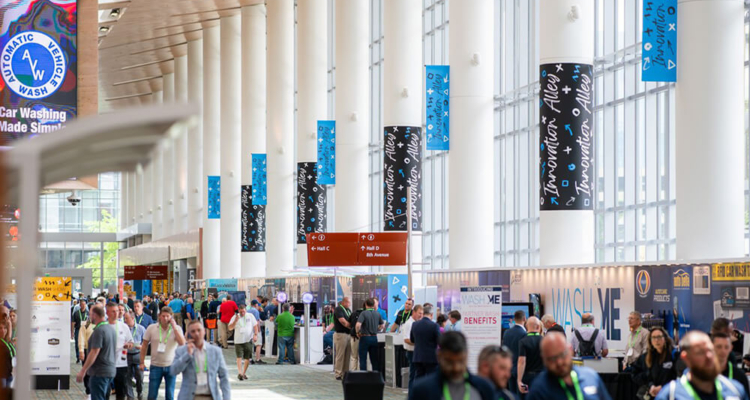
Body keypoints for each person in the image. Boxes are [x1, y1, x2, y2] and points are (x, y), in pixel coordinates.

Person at [655, 331, 749, 400]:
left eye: (710, 350)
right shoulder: (670, 394)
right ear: (685, 357)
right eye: (700, 352)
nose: (708, 356)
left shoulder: (734, 390)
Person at [409, 331, 497, 400]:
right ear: (439, 356)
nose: (456, 368)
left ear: (466, 355)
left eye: (460, 361)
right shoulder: (422, 390)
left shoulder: (484, 388)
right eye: (449, 362)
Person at [526, 332, 611, 400]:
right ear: (543, 359)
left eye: (562, 355)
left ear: (570, 350)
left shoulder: (590, 377)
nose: (559, 362)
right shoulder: (539, 391)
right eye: (552, 358)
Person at [170, 320, 231, 400]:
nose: (197, 333)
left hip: (210, 396)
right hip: (190, 396)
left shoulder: (215, 351)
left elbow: (224, 376)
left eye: (199, 330)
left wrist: (226, 397)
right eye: (193, 331)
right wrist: (187, 355)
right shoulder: (182, 351)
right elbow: (173, 371)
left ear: (204, 331)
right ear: (189, 334)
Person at [140, 307, 186, 400]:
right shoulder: (152, 328)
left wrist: (174, 328)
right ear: (159, 316)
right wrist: (142, 362)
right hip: (155, 365)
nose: (165, 318)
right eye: (163, 316)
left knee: (170, 395)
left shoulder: (177, 329)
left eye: (167, 316)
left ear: (171, 317)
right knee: (152, 395)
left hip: (171, 365)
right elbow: (144, 345)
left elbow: (182, 343)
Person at [76, 305, 117, 400]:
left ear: (95, 315)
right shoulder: (111, 329)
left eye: (90, 314)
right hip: (109, 371)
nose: (89, 317)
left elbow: (94, 352)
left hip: (99, 372)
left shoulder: (99, 330)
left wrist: (83, 370)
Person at [632, 327, 678, 399]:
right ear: (650, 341)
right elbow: (635, 373)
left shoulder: (674, 355)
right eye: (653, 337)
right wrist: (650, 385)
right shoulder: (646, 357)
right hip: (652, 395)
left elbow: (680, 376)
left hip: (670, 394)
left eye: (659, 337)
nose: (656, 340)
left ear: (665, 338)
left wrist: (663, 387)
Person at [107, 302, 134, 400]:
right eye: (113, 311)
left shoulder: (124, 326)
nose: (116, 313)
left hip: (121, 364)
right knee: (106, 391)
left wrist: (128, 345)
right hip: (106, 364)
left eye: (117, 311)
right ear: (107, 312)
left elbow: (131, 342)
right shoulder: (103, 326)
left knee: (121, 392)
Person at [228, 304, 259, 380]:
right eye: (241, 312)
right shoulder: (235, 317)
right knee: (239, 357)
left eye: (244, 311)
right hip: (238, 340)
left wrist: (255, 335)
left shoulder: (250, 316)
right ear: (238, 310)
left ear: (246, 310)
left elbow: (255, 326)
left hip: (248, 340)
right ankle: (240, 373)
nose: (242, 313)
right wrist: (235, 321)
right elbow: (230, 328)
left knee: (247, 358)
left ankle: (244, 373)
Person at [410, 304, 440, 380]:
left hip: (418, 357)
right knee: (431, 379)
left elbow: (412, 340)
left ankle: (418, 392)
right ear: (432, 314)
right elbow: (440, 341)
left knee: (418, 377)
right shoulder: (434, 325)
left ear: (423, 314)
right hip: (431, 358)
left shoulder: (414, 324)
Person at [502, 310, 527, 394]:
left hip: (509, 369)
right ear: (524, 318)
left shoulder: (506, 332)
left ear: (514, 319)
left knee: (512, 394)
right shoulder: (524, 334)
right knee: (522, 394)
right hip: (521, 370)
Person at [356, 298, 385, 372]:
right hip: (374, 338)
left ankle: (364, 378)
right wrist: (377, 329)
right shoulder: (377, 313)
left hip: (365, 338)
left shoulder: (363, 313)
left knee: (363, 359)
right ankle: (376, 378)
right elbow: (382, 325)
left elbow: (358, 325)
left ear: (366, 304)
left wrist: (358, 332)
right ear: (373, 305)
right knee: (374, 360)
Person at [517, 317, 544, 394]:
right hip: (542, 376)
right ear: (538, 327)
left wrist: (519, 380)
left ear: (526, 326)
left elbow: (521, 362)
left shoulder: (523, 341)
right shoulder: (545, 340)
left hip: (528, 377)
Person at [124, 311, 146, 400]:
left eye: (126, 318)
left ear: (132, 318)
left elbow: (146, 341)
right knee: (127, 377)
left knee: (139, 376)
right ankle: (130, 396)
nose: (125, 320)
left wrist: (141, 346)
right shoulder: (124, 329)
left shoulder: (141, 328)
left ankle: (140, 392)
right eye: (124, 318)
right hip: (126, 355)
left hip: (138, 355)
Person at [401, 304, 423, 390]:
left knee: (417, 375)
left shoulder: (416, 323)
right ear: (413, 312)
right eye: (419, 313)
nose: (421, 315)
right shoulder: (409, 324)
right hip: (411, 352)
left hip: (416, 352)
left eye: (422, 313)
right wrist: (418, 343)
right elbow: (406, 339)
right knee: (413, 375)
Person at [333, 297, 353, 380]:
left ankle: (345, 373)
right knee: (340, 355)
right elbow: (343, 321)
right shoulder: (338, 309)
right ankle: (338, 373)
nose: (350, 304)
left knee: (347, 355)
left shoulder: (348, 310)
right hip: (341, 335)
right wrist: (352, 327)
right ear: (344, 302)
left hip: (348, 335)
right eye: (348, 302)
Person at [78, 312, 95, 398]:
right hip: (87, 350)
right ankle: (88, 392)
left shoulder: (103, 324)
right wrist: (81, 351)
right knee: (87, 371)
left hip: (98, 351)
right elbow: (81, 337)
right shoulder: (86, 324)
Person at [348, 301, 366, 371]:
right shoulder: (366, 314)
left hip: (354, 337)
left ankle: (353, 373)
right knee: (361, 356)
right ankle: (360, 373)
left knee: (353, 356)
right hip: (363, 336)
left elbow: (349, 324)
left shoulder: (354, 313)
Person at [72, 298, 89, 364]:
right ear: (80, 305)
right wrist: (72, 333)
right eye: (82, 304)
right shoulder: (76, 313)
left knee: (85, 344)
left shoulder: (88, 313)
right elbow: (73, 323)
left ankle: (84, 356)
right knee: (77, 344)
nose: (83, 305)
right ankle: (78, 357)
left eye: (84, 304)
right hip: (78, 329)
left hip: (85, 330)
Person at [0, 321, 14, 388]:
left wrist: (9, 324)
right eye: (0, 328)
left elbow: (13, 354)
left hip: (8, 375)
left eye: (5, 328)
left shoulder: (7, 341)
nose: (3, 330)